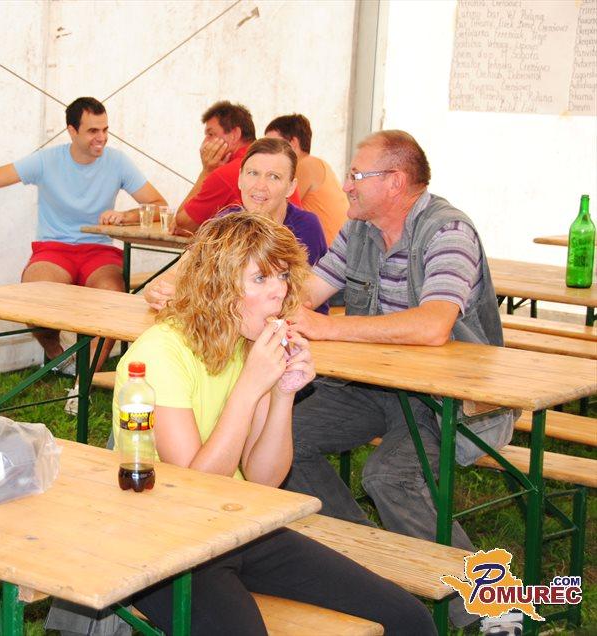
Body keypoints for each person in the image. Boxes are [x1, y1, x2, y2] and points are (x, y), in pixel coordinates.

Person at [116, 212, 436, 635]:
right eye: (260, 279)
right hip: (163, 543)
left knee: (408, 618)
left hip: (236, 525)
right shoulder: (160, 353)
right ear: (217, 287)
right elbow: (196, 488)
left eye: (283, 276)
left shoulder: (246, 343)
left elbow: (265, 478)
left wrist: (283, 392)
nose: (279, 290)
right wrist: (249, 388)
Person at [283, 130, 514, 630]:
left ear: (395, 181)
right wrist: (221, 294)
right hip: (374, 388)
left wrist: (330, 327)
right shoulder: (359, 229)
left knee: (389, 476)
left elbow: (434, 325)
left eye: (356, 175)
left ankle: (491, 607)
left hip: (448, 400)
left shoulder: (448, 230)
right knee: (283, 438)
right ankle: (365, 567)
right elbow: (307, 291)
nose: (346, 185)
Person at [0, 97, 166, 373]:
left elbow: (159, 205)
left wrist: (126, 216)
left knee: (113, 298)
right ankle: (59, 357)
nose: (102, 138)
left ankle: (84, 379)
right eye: (93, 131)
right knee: (33, 294)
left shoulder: (118, 162)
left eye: (105, 129)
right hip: (54, 249)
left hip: (99, 251)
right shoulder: (47, 161)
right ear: (72, 131)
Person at [144, 137, 327, 313]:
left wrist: (197, 297)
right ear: (239, 179)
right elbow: (178, 272)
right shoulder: (227, 220)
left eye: (273, 177)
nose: (260, 185)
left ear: (291, 187)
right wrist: (157, 292)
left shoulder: (306, 227)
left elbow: (295, 300)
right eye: (253, 173)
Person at [172, 101, 302, 235]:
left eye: (211, 134)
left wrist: (206, 172)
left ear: (234, 134)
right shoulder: (281, 166)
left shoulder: (226, 173)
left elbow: (183, 224)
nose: (205, 142)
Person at [265, 114, 349, 245]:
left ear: (293, 143)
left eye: (272, 144)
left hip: (324, 251)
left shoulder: (303, 165)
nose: (266, 152)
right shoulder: (317, 163)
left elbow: (274, 209)